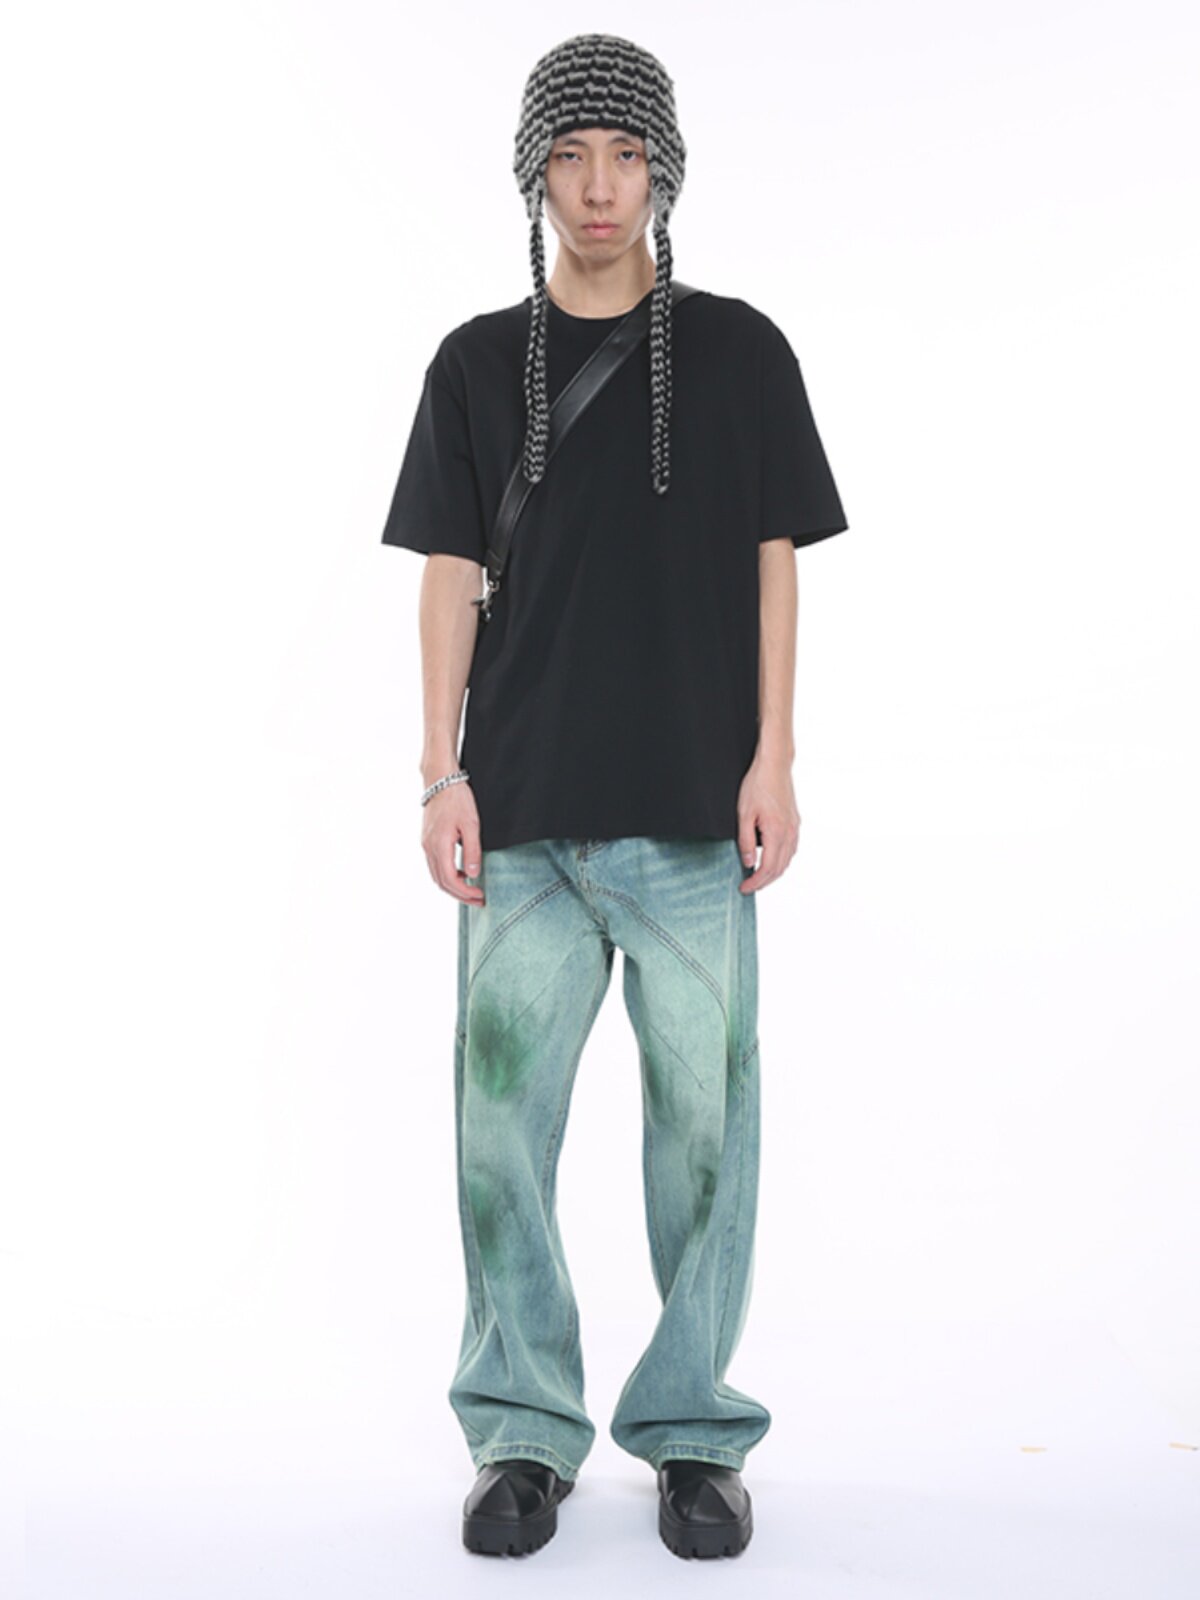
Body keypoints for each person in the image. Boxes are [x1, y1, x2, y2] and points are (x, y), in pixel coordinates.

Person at [380, 32, 848, 1561]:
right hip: (518, 817)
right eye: (571, 156)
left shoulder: (742, 352)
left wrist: (775, 755)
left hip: (697, 816)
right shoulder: (471, 363)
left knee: (708, 1136)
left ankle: (695, 1431)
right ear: (534, 173)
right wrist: (441, 769)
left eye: (627, 155)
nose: (599, 187)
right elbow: (450, 572)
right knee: (499, 1138)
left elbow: (776, 563)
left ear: (665, 171)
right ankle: (521, 1430)